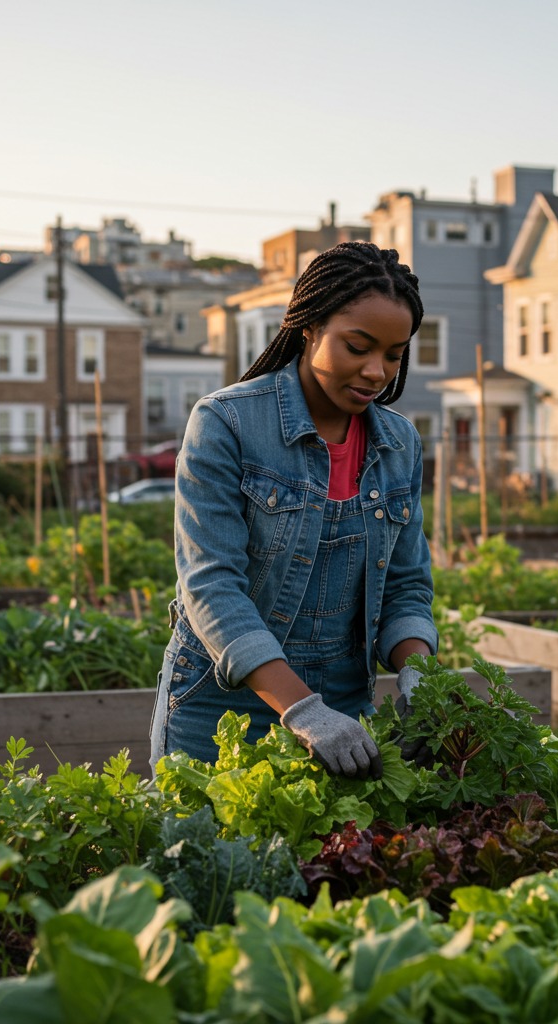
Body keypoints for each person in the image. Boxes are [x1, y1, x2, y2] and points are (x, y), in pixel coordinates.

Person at [149, 241, 438, 780]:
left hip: (343, 706)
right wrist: (301, 710)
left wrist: (418, 674)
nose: (377, 371)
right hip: (222, 705)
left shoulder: (400, 444)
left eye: (394, 355)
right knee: (212, 863)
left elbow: (407, 586)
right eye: (358, 346)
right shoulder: (226, 423)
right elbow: (211, 586)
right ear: (309, 328)